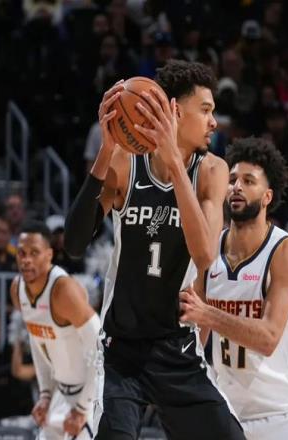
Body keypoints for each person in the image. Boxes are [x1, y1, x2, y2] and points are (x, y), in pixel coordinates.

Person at [64, 59, 244, 439]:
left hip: (176, 346)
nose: (214, 122)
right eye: (205, 110)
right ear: (175, 111)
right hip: (120, 350)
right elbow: (74, 245)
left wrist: (176, 165)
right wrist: (106, 150)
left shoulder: (211, 171)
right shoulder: (126, 163)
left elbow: (205, 256)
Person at [179, 137, 288, 439]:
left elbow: (268, 338)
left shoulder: (286, 251)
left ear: (267, 196)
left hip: (287, 416)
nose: (236, 187)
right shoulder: (209, 250)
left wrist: (207, 314)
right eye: (232, 180)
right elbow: (194, 337)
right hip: (229, 415)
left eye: (248, 181)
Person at [10, 221, 101, 439]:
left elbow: (101, 346)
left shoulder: (63, 291)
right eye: (21, 253)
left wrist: (82, 408)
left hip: (92, 393)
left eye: (34, 253)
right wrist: (45, 394)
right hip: (61, 391)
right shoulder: (17, 289)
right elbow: (37, 341)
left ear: (49, 255)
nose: (26, 260)